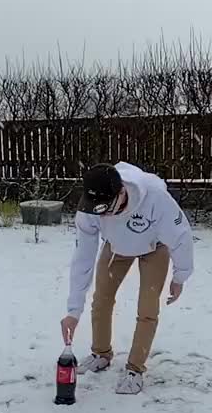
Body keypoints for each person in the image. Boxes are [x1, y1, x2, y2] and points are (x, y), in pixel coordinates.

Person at [61, 161, 194, 395]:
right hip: (116, 247)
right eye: (97, 209)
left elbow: (181, 237)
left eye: (106, 208)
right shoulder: (89, 209)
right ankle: (101, 353)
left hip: (155, 247)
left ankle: (135, 369)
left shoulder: (155, 199)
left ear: (121, 192)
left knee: (147, 307)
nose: (101, 214)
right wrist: (73, 312)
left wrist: (180, 276)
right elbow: (83, 256)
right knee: (101, 299)